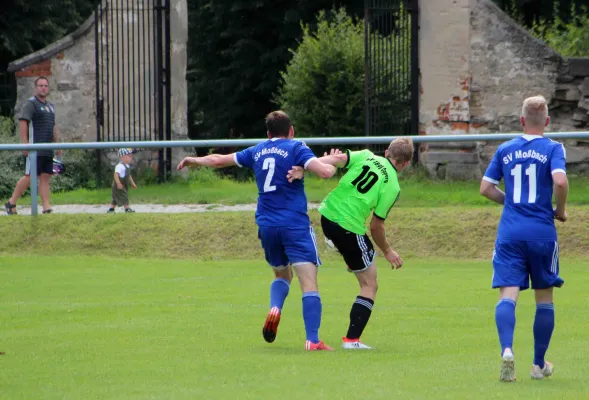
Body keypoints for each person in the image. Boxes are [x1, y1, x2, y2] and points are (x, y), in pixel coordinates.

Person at [176, 110, 337, 351]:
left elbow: (219, 160)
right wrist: (328, 163)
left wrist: (194, 160)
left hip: (267, 224)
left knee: (282, 276)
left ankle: (275, 308)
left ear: (268, 133)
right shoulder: (296, 148)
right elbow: (325, 172)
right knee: (308, 282)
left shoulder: (257, 150)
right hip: (294, 224)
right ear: (291, 131)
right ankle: (313, 340)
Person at [289, 138, 414, 349]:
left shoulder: (366, 155)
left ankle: (345, 253)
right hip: (348, 227)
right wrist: (389, 251)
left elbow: (336, 159)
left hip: (327, 215)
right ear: (407, 163)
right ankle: (352, 340)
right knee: (370, 284)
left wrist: (304, 168)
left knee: (365, 252)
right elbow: (376, 227)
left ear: (386, 152)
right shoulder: (392, 186)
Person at [480, 95, 568, 382]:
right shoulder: (553, 148)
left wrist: (510, 202)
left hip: (510, 233)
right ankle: (538, 365)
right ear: (547, 121)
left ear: (521, 120)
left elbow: (485, 188)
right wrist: (561, 210)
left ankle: (507, 351)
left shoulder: (505, 149)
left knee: (508, 294)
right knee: (544, 297)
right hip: (542, 232)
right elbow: (560, 181)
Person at [5, 76, 60, 215]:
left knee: (45, 177)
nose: (43, 88)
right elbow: (23, 123)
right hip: (34, 148)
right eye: (40, 85)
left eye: (45, 85)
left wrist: (57, 145)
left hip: (47, 150)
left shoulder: (50, 107)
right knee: (30, 176)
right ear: (36, 88)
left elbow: (53, 127)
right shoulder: (31, 104)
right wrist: (25, 145)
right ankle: (11, 202)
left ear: (48, 88)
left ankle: (46, 207)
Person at [107, 148, 137, 213]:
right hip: (118, 185)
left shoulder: (127, 165)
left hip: (122, 185)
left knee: (116, 198)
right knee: (124, 195)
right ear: (122, 157)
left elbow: (129, 175)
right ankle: (127, 208)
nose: (131, 157)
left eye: (131, 155)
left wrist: (132, 183)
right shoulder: (120, 166)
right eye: (129, 156)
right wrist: (118, 183)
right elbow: (116, 174)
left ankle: (111, 209)